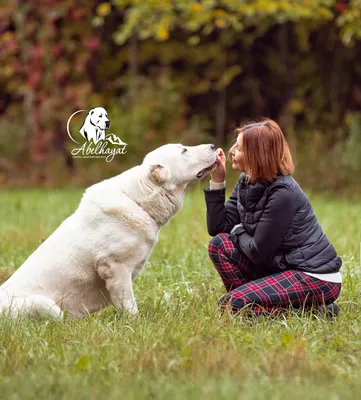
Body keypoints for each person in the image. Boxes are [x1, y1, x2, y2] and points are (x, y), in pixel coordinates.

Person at [204, 119, 342, 316]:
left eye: (240, 147)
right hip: (282, 267)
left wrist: (237, 230)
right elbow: (217, 227)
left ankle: (313, 313)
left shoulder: (283, 193)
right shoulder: (247, 181)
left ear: (257, 155)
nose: (231, 151)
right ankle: (253, 304)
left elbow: (257, 252)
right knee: (219, 244)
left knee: (232, 304)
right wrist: (217, 181)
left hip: (314, 277)